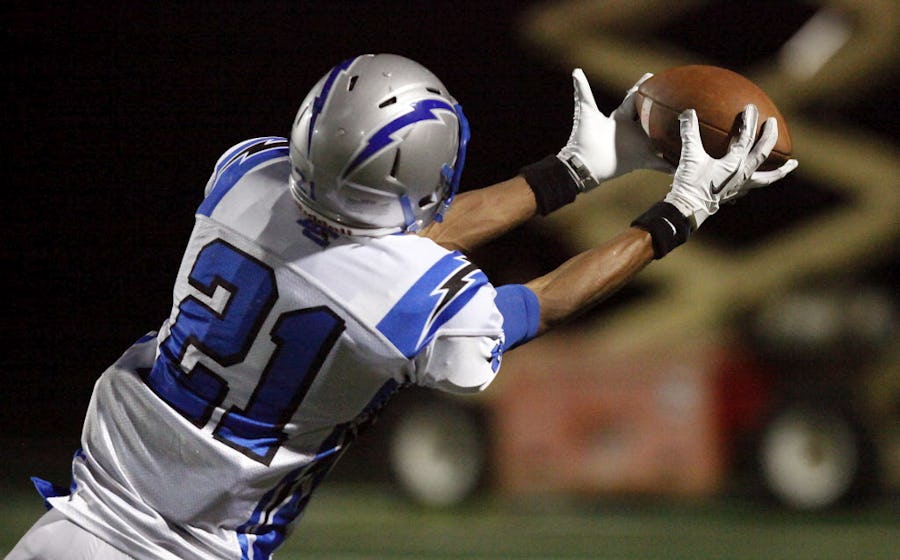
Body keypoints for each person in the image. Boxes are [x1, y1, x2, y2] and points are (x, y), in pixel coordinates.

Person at [7, 53, 796, 560]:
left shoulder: (240, 180)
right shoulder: (403, 300)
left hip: (70, 529)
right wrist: (677, 213)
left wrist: (570, 172)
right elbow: (538, 305)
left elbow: (378, 235)